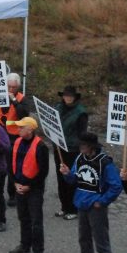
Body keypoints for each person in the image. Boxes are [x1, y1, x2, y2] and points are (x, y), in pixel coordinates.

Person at [61, 131, 122, 253]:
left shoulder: (105, 162)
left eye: (83, 145)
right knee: (84, 239)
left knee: (101, 241)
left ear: (91, 147)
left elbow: (116, 186)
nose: (80, 147)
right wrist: (67, 173)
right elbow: (74, 180)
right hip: (82, 204)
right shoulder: (80, 158)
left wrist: (102, 201)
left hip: (96, 207)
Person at [7, 117, 49, 253]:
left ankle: (38, 251)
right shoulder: (16, 143)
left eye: (21, 127)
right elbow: (10, 165)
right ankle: (24, 246)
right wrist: (15, 183)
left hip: (34, 190)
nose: (17, 129)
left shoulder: (41, 146)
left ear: (30, 130)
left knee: (36, 221)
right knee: (23, 218)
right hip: (19, 187)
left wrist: (29, 185)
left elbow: (43, 172)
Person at [54, 85, 88, 220]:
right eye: (66, 95)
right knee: (60, 178)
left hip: (73, 150)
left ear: (74, 97)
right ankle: (64, 206)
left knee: (72, 179)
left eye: (70, 96)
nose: (67, 98)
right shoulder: (58, 107)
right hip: (59, 147)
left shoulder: (81, 113)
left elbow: (82, 133)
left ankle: (73, 208)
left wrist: (82, 149)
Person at [0, 72, 28, 206]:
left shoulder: (21, 99)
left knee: (12, 167)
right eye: (8, 87)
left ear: (18, 87)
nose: (10, 90)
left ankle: (12, 194)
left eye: (13, 87)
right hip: (0, 134)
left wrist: (13, 100)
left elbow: (24, 115)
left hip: (14, 137)